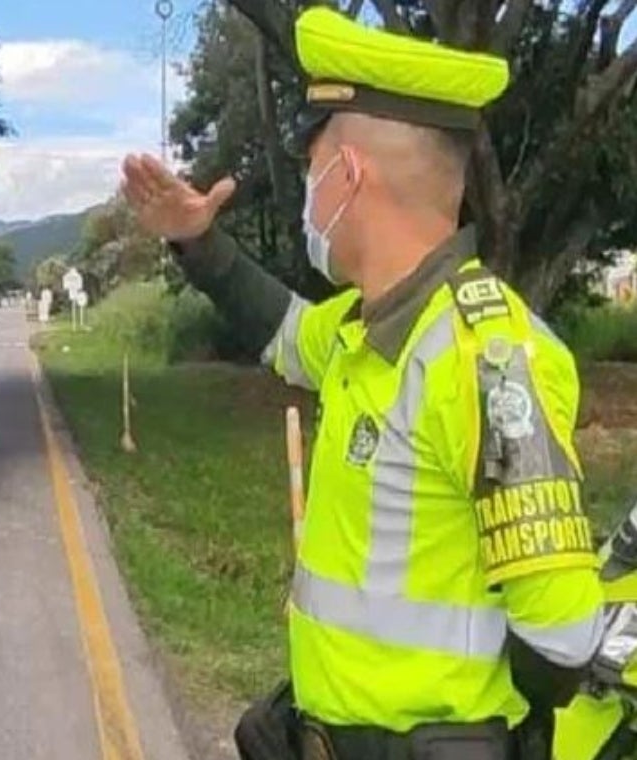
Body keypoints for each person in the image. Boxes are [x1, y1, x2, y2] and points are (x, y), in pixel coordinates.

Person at [120, 7, 606, 759]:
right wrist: (197, 241)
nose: (308, 198)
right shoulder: (366, 326)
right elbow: (283, 332)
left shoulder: (489, 359)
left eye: (313, 174)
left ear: (348, 174)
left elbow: (563, 639)